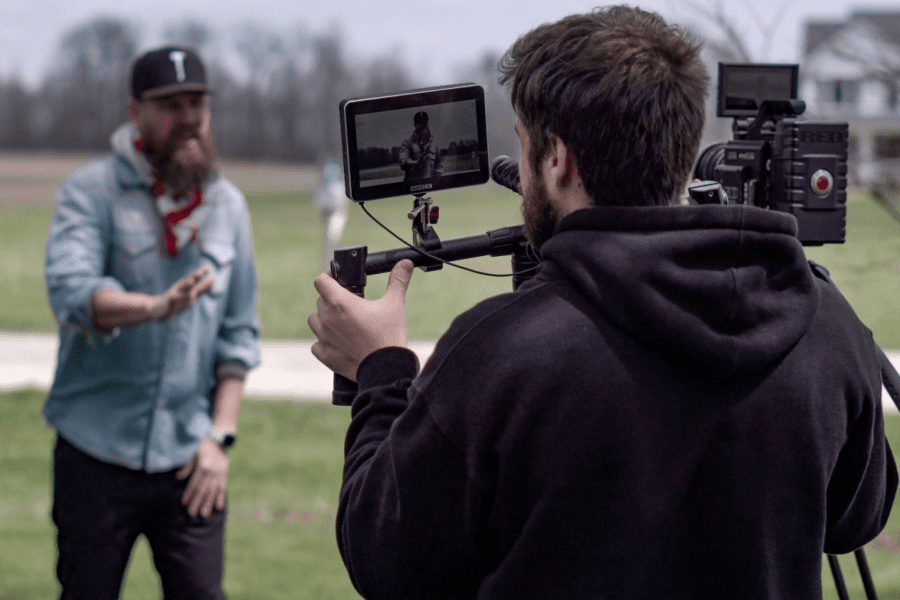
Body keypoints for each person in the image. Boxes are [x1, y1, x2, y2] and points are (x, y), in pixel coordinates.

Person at [308, 6, 897, 600]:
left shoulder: (500, 350)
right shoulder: (823, 323)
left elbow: (385, 557)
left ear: (557, 159)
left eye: (524, 146)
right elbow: (856, 518)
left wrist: (380, 370)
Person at [44, 46, 261, 599]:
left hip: (191, 458)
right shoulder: (91, 191)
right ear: (136, 110)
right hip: (95, 453)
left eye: (197, 104)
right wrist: (152, 307)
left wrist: (219, 440)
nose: (188, 118)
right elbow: (71, 291)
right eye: (171, 105)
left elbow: (238, 334)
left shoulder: (229, 206)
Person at [398, 110, 443, 181]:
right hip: (412, 186)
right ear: (415, 125)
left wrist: (437, 178)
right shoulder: (407, 142)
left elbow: (439, 166)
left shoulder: (434, 142)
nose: (424, 125)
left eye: (425, 122)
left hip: (430, 186)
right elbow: (402, 162)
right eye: (420, 122)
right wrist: (416, 162)